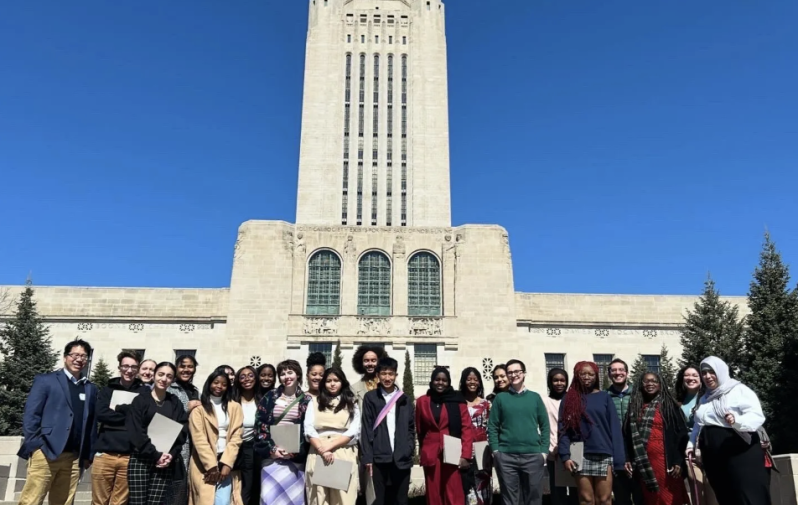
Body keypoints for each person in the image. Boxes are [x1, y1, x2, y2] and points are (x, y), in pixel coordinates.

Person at [17, 339, 99, 505]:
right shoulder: (46, 381)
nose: (79, 359)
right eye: (75, 355)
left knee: (64, 502)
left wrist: (88, 454)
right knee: (31, 500)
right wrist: (36, 445)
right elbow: (32, 415)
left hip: (74, 458)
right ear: (65, 357)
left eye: (84, 356)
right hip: (45, 452)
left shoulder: (90, 388)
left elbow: (91, 422)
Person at [686, 357, 769, 505]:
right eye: (704, 372)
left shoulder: (739, 390)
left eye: (712, 372)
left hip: (739, 449)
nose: (707, 376)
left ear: (721, 371)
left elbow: (756, 415)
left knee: (747, 494)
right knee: (725, 495)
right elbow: (699, 424)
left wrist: (737, 421)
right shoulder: (704, 398)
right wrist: (691, 445)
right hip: (713, 454)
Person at [559, 361, 625, 505]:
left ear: (596, 376)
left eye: (591, 374)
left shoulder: (604, 397)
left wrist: (619, 460)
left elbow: (615, 428)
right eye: (583, 374)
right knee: (586, 499)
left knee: (604, 499)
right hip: (578, 453)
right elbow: (563, 429)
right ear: (577, 375)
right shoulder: (569, 399)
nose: (587, 377)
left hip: (603, 452)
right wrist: (565, 456)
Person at [488, 359, 550, 505]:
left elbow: (545, 426)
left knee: (534, 499)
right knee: (510, 500)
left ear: (524, 374)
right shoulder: (500, 399)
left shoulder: (535, 397)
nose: (514, 375)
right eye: (510, 372)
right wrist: (496, 451)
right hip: (506, 456)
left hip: (533, 456)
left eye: (517, 371)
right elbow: (493, 426)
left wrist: (544, 452)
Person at [126, 362, 189, 505]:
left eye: (169, 376)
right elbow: (136, 431)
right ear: (154, 376)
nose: (164, 379)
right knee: (137, 502)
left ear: (172, 380)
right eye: (161, 374)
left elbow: (181, 431)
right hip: (141, 459)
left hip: (164, 462)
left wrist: (171, 455)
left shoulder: (175, 402)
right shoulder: (141, 400)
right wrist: (155, 454)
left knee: (156, 502)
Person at [625, 372, 688, 505]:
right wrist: (627, 458)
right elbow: (626, 435)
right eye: (646, 381)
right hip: (644, 463)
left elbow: (681, 435)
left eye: (654, 381)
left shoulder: (670, 406)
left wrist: (678, 461)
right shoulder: (634, 407)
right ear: (641, 385)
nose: (650, 384)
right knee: (651, 498)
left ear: (660, 384)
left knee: (670, 498)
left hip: (667, 462)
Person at [255, 359, 312, 505]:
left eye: (290, 372)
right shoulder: (270, 397)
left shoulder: (306, 400)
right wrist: (271, 449)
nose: (286, 377)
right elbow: (260, 424)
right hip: (272, 456)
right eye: (282, 374)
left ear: (298, 374)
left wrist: (295, 450)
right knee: (270, 497)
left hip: (295, 458)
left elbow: (308, 428)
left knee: (293, 499)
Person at [92, 350, 146, 505]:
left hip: (129, 457)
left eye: (133, 367)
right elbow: (101, 414)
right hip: (105, 454)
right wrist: (130, 415)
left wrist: (116, 409)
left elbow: (142, 417)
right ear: (119, 367)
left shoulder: (143, 392)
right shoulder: (108, 389)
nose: (129, 370)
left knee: (120, 502)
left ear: (138, 369)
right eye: (125, 366)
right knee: (99, 502)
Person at [361, 357, 416, 505]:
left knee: (400, 500)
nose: (387, 378)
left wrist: (409, 448)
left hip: (401, 459)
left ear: (396, 375)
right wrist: (367, 457)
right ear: (378, 375)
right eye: (384, 374)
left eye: (391, 374)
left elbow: (411, 428)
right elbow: (366, 428)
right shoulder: (371, 398)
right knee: (378, 500)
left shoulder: (404, 399)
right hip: (379, 459)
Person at [417, 367, 473, 505]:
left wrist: (465, 455)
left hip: (452, 450)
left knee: (453, 490)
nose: (440, 383)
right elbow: (420, 429)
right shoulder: (423, 401)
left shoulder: (457, 400)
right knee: (433, 491)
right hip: (431, 452)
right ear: (432, 381)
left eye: (444, 380)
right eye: (437, 380)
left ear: (449, 382)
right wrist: (423, 449)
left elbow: (467, 428)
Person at [304, 367, 361, 505]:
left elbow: (354, 430)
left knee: (343, 497)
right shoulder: (314, 402)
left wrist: (330, 446)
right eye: (328, 381)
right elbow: (309, 428)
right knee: (318, 496)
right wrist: (322, 449)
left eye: (336, 380)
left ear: (342, 382)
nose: (332, 384)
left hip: (343, 451)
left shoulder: (351, 402)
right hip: (318, 451)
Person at [188, 370, 244, 505]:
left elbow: (237, 436)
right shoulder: (199, 409)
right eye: (216, 382)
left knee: (224, 501)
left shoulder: (235, 407)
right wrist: (211, 467)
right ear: (209, 384)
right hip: (203, 464)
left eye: (224, 384)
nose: (219, 386)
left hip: (226, 462)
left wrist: (227, 463)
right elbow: (199, 439)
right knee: (204, 501)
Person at [675, 366, 716, 505]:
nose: (690, 378)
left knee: (713, 492)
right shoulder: (678, 402)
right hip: (690, 452)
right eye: (687, 375)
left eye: (694, 375)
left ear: (701, 379)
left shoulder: (710, 397)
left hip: (710, 448)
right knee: (697, 494)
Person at [606, 358, 642, 505]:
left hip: (638, 449)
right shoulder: (605, 396)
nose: (617, 373)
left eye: (621, 370)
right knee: (621, 495)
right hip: (615, 450)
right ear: (609, 374)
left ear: (627, 373)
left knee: (641, 495)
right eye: (613, 370)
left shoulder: (638, 394)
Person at [167, 354, 202, 505]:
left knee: (184, 490)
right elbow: (164, 415)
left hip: (192, 445)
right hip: (173, 445)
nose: (186, 370)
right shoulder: (170, 388)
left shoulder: (195, 391)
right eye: (182, 366)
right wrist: (185, 409)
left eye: (190, 366)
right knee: (172, 488)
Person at [542, 368, 577, 505]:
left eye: (562, 380)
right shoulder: (545, 401)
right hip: (553, 452)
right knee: (557, 492)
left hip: (573, 451)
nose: (559, 383)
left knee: (575, 489)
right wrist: (551, 447)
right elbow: (544, 426)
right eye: (555, 380)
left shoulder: (573, 401)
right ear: (550, 382)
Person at [459, 367, 493, 505]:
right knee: (466, 489)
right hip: (463, 451)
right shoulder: (458, 403)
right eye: (469, 379)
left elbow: (491, 428)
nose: (472, 382)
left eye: (475, 379)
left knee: (482, 489)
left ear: (479, 382)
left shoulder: (486, 404)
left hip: (482, 452)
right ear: (463, 381)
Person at [234, 366, 265, 505]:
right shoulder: (233, 400)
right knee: (244, 485)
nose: (247, 379)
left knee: (256, 484)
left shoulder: (262, 400)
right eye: (242, 376)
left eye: (250, 375)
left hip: (257, 447)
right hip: (237, 447)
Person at [351, 344, 389, 409]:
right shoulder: (354, 389)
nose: (370, 364)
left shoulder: (390, 383)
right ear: (361, 363)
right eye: (366, 361)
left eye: (373, 360)